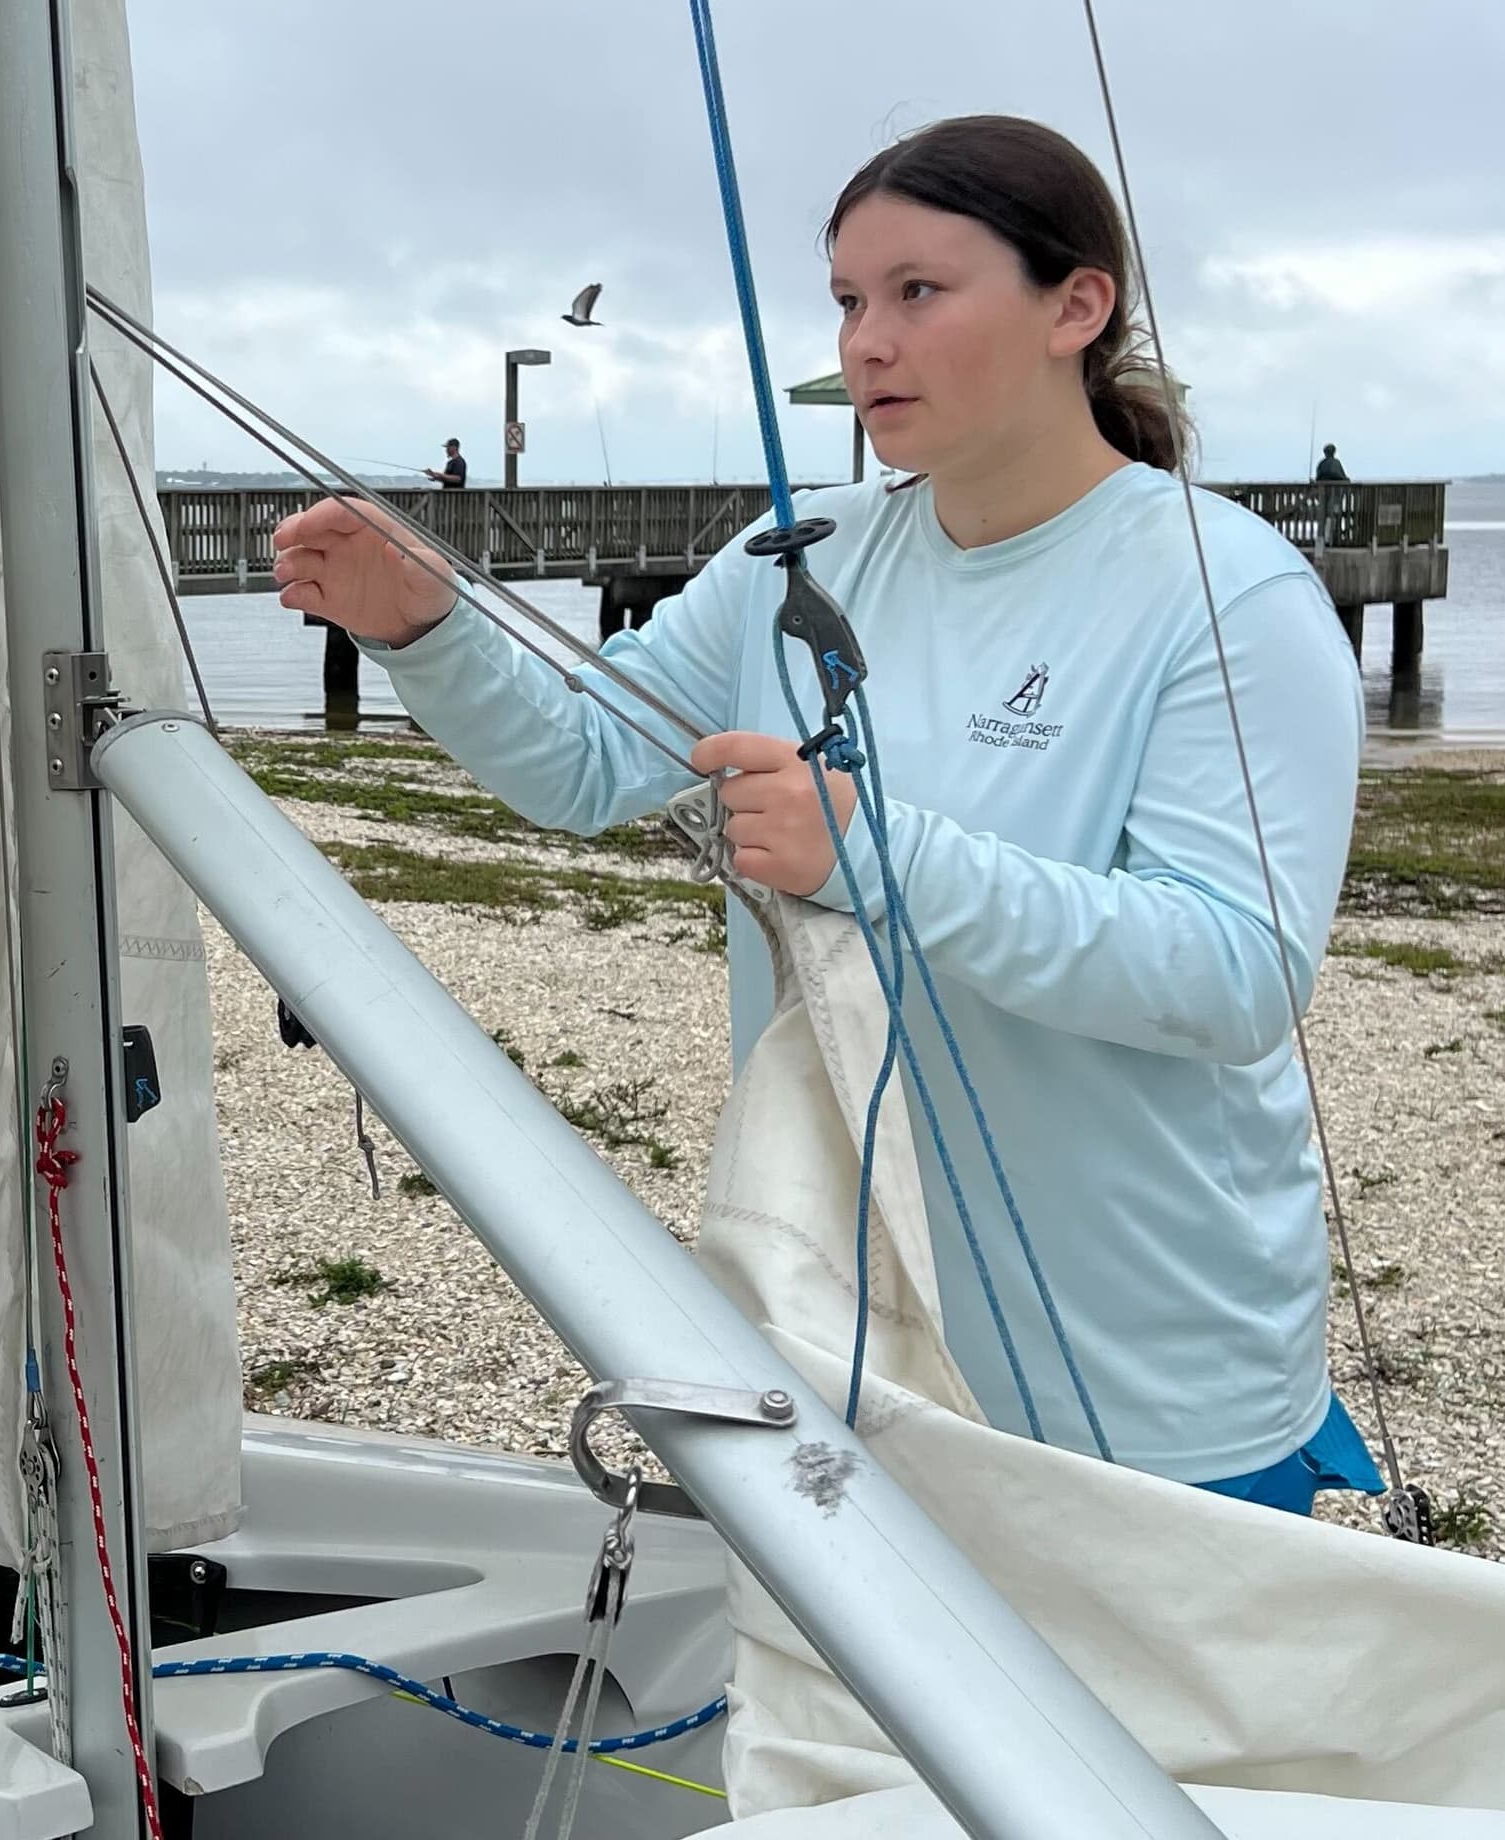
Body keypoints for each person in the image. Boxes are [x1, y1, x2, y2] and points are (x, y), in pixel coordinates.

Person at [270, 114, 1372, 1514]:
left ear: (1075, 307)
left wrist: (871, 853)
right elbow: (583, 763)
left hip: (1154, 1381)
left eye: (919, 292)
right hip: (856, 1337)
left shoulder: (1228, 592)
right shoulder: (794, 557)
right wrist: (429, 630)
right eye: (849, 301)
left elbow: (1237, 973)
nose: (866, 342)